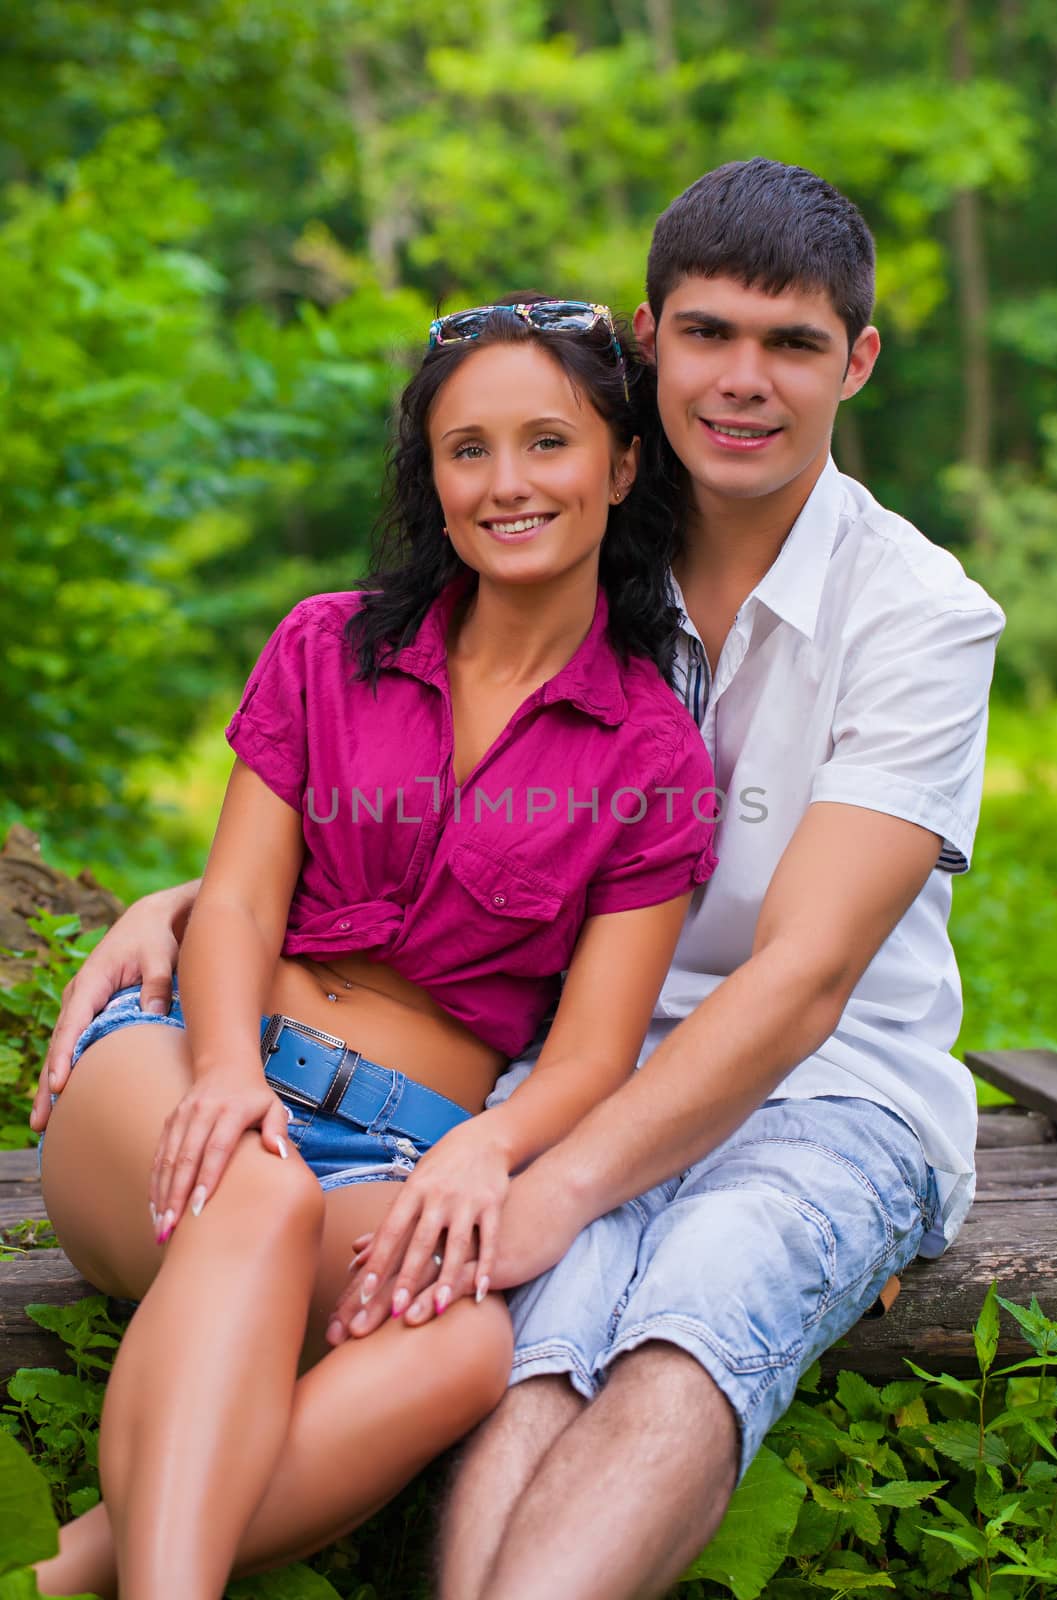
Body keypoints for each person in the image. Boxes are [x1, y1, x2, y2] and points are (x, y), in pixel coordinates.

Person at [324, 158, 1007, 1600]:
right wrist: (188, 907)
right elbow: (371, 795)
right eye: (708, 334)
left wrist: (565, 1181)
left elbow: (807, 981)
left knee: (698, 1316)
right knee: (536, 1347)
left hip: (834, 1096)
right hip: (582, 1059)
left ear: (858, 361)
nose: (744, 380)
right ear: (649, 339)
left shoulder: (920, 616)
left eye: (793, 343)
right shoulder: (575, 559)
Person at [27, 295, 718, 1599]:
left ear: (623, 466)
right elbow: (230, 905)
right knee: (256, 1188)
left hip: (391, 1155)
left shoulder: (652, 755)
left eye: (547, 443)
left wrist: (483, 1148)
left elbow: (588, 1057)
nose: (507, 483)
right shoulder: (325, 648)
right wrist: (229, 1073)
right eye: (468, 450)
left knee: (460, 1352)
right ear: (433, 480)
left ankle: (68, 1575)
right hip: (183, 1070)